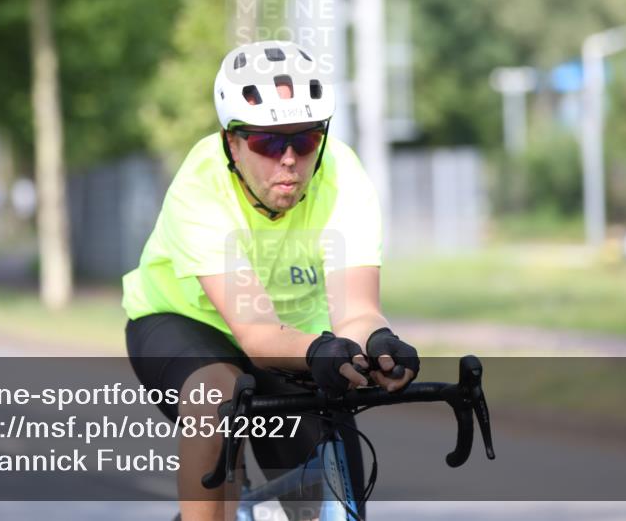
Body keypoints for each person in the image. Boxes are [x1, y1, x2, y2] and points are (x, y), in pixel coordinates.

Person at [122, 40, 420, 521]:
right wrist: (321, 350)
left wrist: (380, 343)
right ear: (231, 142)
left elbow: (356, 312)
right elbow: (256, 332)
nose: (288, 160)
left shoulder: (343, 177)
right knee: (217, 395)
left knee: (326, 495)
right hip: (182, 324)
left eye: (304, 140)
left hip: (296, 337)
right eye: (266, 142)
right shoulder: (201, 186)